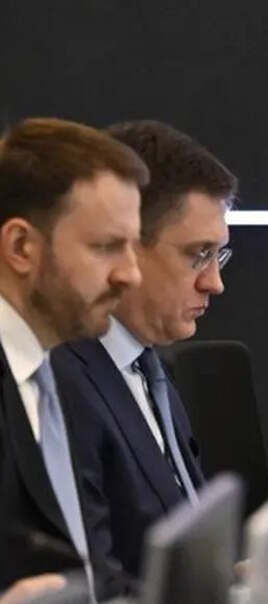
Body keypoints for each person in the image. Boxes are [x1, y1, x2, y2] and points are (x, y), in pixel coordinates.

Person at [51, 120, 237, 592]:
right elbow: (90, 589)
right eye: (198, 255)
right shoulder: (57, 387)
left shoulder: (147, 364)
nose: (214, 282)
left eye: (219, 256)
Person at [0, 118, 146, 597]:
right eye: (107, 247)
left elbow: (86, 572)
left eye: (133, 246)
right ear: (21, 247)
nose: (131, 275)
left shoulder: (55, 372)